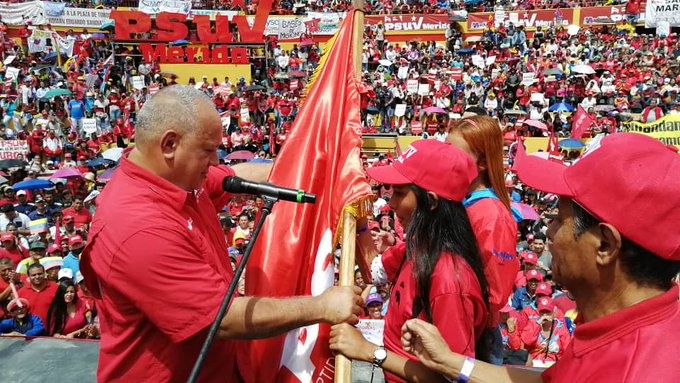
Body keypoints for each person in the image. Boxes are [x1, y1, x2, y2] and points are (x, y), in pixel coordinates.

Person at [80, 86, 363, 382]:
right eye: (207, 150)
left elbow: (234, 177)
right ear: (169, 145)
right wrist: (322, 306)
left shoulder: (178, 178)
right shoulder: (137, 229)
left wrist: (318, 168)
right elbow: (221, 318)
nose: (215, 161)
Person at [399, 133, 680, 383]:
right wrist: (449, 361)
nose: (549, 230)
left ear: (605, 245)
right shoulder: (626, 324)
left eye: (559, 219)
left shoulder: (634, 370)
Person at [330, 140, 489, 382]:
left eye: (400, 194)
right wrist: (360, 221)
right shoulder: (414, 249)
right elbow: (374, 269)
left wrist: (370, 351)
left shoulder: (450, 280)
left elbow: (453, 377)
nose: (391, 203)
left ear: (432, 201)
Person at [446, 115, 520, 365]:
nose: (446, 161)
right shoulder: (459, 202)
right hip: (452, 328)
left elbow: (495, 293)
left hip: (473, 337)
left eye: (456, 154)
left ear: (483, 163)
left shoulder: (491, 214)